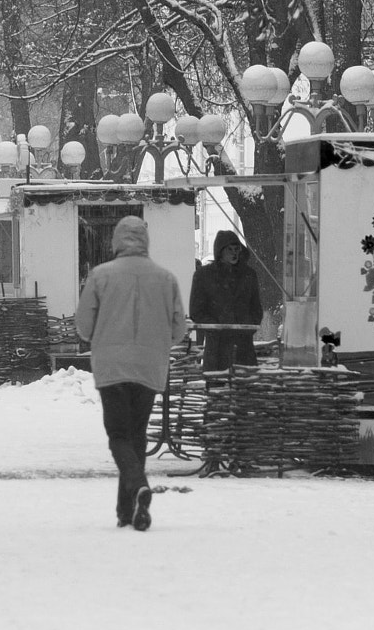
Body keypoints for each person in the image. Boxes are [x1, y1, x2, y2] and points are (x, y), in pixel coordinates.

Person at [75, 216, 188, 532]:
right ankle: (128, 510)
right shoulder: (166, 279)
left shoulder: (100, 276)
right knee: (136, 433)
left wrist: (103, 333)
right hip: (150, 366)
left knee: (118, 435)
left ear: (116, 240)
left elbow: (83, 326)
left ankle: (138, 485)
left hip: (112, 365)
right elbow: (179, 330)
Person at [189, 229, 263, 371]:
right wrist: (216, 327)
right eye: (230, 249)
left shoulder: (248, 275)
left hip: (244, 347)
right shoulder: (204, 276)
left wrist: (246, 326)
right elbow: (196, 311)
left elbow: (256, 308)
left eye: (237, 249)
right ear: (220, 251)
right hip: (216, 348)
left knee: (244, 388)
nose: (234, 253)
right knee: (217, 387)